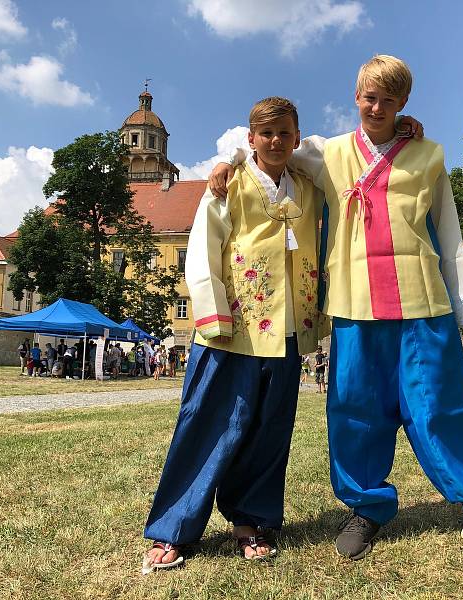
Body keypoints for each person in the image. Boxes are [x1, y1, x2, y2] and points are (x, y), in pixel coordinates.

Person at [208, 56, 463, 569]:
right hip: (354, 306)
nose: (376, 107)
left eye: (388, 99)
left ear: (404, 104)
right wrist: (226, 158)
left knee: (441, 409)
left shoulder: (428, 155)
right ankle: (366, 507)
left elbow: (449, 234)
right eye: (368, 96)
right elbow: (270, 145)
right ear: (355, 96)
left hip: (422, 302)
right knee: (355, 412)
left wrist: (462, 307)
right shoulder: (326, 153)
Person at [142, 97, 324, 574]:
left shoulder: (308, 186)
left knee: (269, 431)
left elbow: (344, 152)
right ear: (251, 138)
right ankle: (174, 528)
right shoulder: (227, 186)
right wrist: (211, 315)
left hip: (285, 330)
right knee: (207, 423)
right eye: (266, 134)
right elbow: (202, 250)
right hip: (232, 326)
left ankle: (251, 520)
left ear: (296, 136)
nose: (276, 141)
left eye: (285, 133)